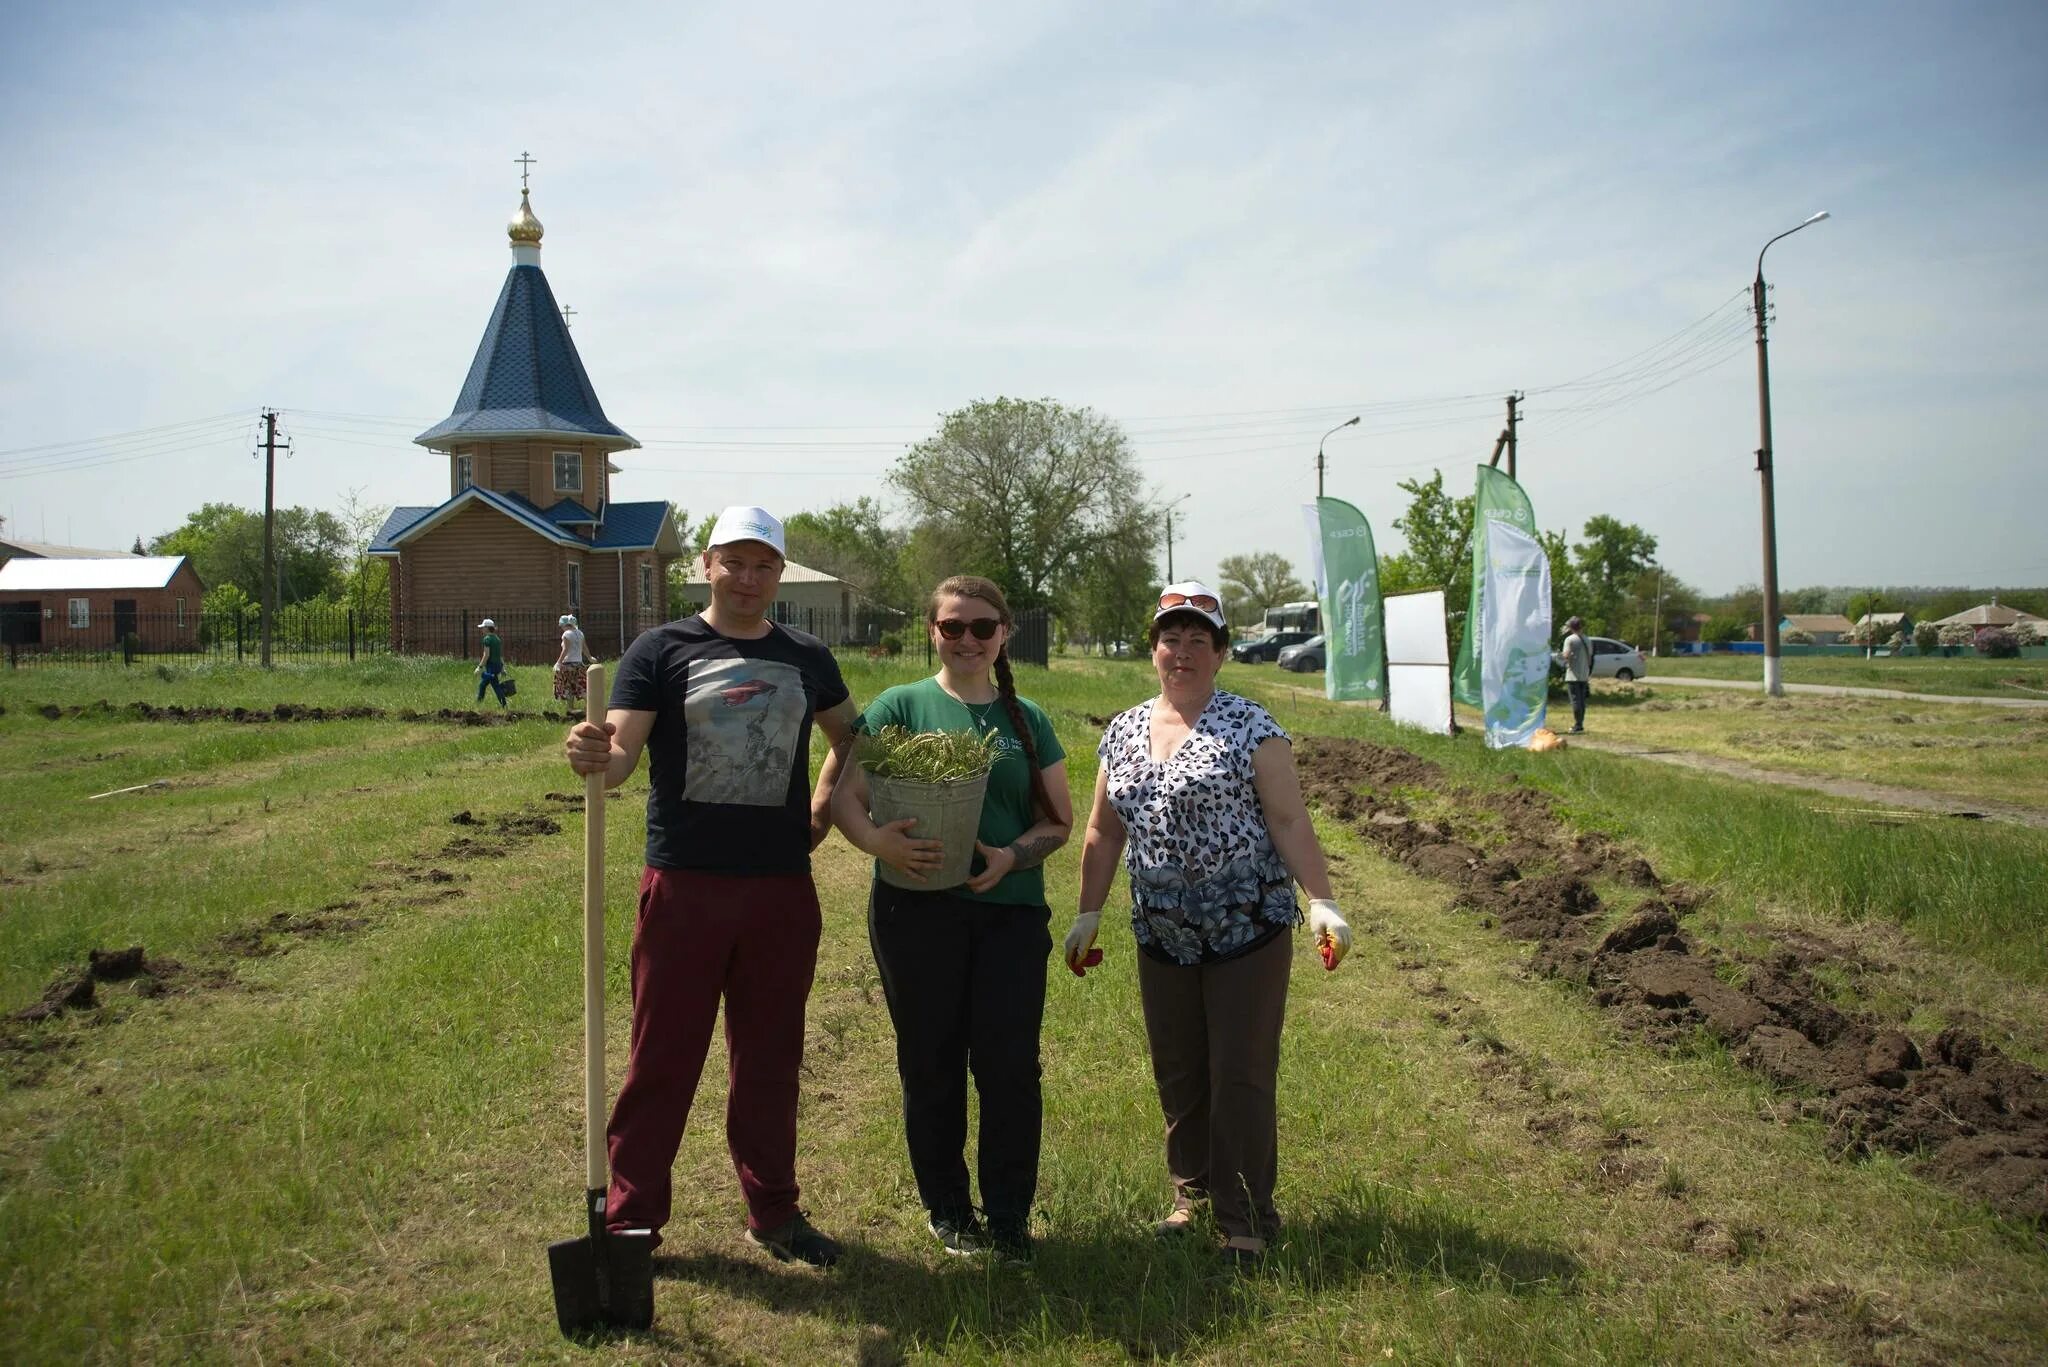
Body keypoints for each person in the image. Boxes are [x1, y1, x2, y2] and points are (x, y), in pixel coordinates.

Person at [563, 505, 859, 1269]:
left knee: (769, 1057)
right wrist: (592, 750)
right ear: (705, 563)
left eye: (763, 564)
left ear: (780, 573)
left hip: (778, 890)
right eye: (734, 561)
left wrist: (823, 804)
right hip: (686, 885)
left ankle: (774, 1210)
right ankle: (632, 1221)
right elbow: (623, 755)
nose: (748, 578)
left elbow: (852, 737)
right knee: (662, 1057)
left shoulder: (807, 655)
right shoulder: (660, 649)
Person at [1065, 582, 1352, 1268]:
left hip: (1246, 929)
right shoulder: (1125, 730)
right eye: (1171, 637)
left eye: (1199, 639)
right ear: (1154, 650)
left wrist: (1321, 898)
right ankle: (1191, 1193)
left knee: (1241, 1072)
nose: (1183, 651)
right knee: (1180, 1071)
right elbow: (1103, 832)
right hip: (1161, 932)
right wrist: (1086, 912)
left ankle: (1246, 1215)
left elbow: (1288, 820)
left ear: (1222, 652)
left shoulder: (1251, 725)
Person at [830, 576, 1072, 1263]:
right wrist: (878, 841)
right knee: (930, 1063)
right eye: (953, 627)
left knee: (1009, 1068)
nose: (968, 639)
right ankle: (948, 1209)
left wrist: (1009, 856)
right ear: (932, 631)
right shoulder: (899, 705)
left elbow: (1058, 821)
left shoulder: (1028, 720)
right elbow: (848, 795)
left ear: (1004, 634)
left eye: (982, 627)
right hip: (915, 912)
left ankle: (1008, 1216)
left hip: (1010, 916)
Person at [1560, 615, 1591, 734]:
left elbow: (1566, 655)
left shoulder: (1570, 639)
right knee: (1582, 701)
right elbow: (1589, 658)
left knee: (1575, 700)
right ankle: (1580, 723)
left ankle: (1577, 726)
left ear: (1571, 627)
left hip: (1573, 675)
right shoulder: (1587, 639)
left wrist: (1563, 657)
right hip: (1584, 674)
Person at [474, 618, 511, 707]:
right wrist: (502, 668)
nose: (482, 629)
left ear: (487, 628)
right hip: (497, 666)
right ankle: (478, 704)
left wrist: (479, 667)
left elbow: (486, 655)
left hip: (491, 667)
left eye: (483, 627)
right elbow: (499, 656)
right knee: (482, 685)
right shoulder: (497, 639)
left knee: (495, 686)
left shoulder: (487, 639)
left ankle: (504, 705)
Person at [554, 613, 589, 703]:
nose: (562, 628)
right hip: (579, 664)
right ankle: (590, 709)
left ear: (565, 625)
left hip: (568, 665)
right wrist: (589, 657)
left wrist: (558, 662)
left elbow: (565, 650)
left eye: (561, 626)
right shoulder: (580, 633)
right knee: (581, 687)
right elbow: (584, 647)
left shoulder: (567, 634)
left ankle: (570, 709)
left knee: (568, 687)